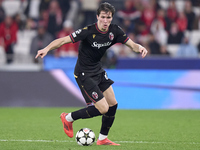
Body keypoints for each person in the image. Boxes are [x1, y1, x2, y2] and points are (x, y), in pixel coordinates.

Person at [35, 2, 147, 146]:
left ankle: (102, 139)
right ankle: (68, 118)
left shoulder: (115, 31)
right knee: (103, 108)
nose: (105, 21)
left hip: (98, 70)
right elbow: (63, 40)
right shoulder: (87, 31)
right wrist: (46, 48)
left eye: (108, 17)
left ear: (112, 18)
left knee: (113, 104)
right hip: (83, 73)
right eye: (103, 17)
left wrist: (140, 48)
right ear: (97, 17)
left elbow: (132, 45)